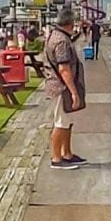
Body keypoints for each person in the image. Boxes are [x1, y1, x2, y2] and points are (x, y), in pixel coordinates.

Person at [43, 10, 86, 170]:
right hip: (61, 87)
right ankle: (56, 158)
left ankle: (66, 153)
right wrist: (74, 92)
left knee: (67, 122)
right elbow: (64, 69)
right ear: (70, 23)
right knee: (61, 122)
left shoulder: (56, 36)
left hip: (59, 85)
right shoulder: (61, 41)